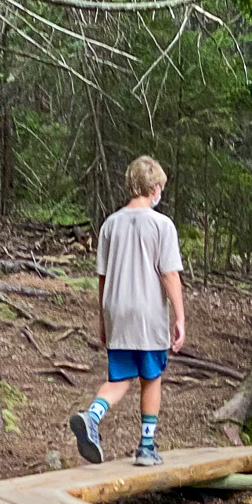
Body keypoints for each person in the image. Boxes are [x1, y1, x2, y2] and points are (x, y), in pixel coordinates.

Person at [68, 155, 185, 467]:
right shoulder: (163, 225)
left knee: (120, 377)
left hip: (116, 308)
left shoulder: (110, 224)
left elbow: (102, 276)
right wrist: (180, 317)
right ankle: (146, 446)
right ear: (155, 187)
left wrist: (103, 320)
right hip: (148, 312)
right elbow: (169, 273)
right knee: (151, 377)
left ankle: (92, 416)